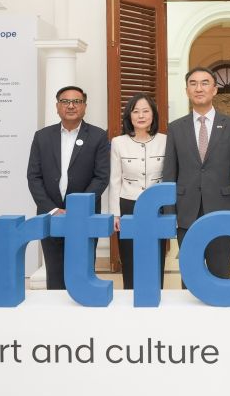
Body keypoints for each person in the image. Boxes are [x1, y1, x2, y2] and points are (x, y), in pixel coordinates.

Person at [163, 67, 230, 280]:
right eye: (193, 84)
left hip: (223, 210)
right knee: (190, 274)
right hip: (186, 212)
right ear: (186, 90)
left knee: (220, 272)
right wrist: (170, 213)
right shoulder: (175, 128)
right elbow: (169, 174)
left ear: (215, 89)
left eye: (204, 83)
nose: (198, 88)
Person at [27, 86, 110, 290]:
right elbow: (34, 177)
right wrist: (53, 209)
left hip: (84, 216)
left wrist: (77, 208)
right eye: (65, 102)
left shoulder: (98, 136)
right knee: (54, 272)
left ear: (84, 106)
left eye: (77, 102)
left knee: (83, 272)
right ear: (57, 106)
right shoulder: (42, 136)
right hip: (50, 215)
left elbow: (101, 177)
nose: (71, 106)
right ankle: (56, 310)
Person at [109, 93, 168, 290]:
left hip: (157, 208)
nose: (141, 116)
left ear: (153, 115)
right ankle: (130, 295)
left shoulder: (165, 141)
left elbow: (170, 178)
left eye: (145, 111)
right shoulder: (118, 142)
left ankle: (156, 295)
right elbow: (115, 180)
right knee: (130, 257)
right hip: (128, 205)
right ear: (129, 115)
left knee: (156, 256)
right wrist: (115, 214)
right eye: (136, 111)